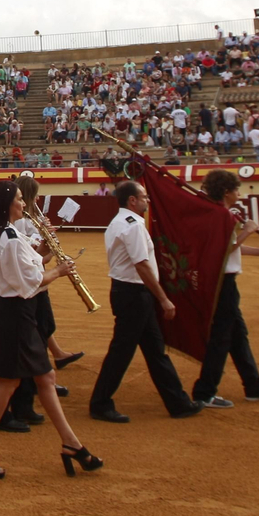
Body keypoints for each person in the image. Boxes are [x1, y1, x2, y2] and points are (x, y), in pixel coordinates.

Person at [0, 179, 101, 480]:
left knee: (45, 377)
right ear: (7, 204)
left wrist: (43, 252)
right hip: (15, 312)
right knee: (7, 383)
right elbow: (28, 282)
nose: (24, 204)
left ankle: (70, 442)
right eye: (18, 199)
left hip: (13, 310)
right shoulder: (10, 238)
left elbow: (27, 265)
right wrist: (59, 271)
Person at [87, 180, 202, 422]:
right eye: (144, 197)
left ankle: (178, 402)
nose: (148, 201)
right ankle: (99, 403)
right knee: (123, 352)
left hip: (130, 293)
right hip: (134, 294)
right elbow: (142, 265)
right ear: (132, 200)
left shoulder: (119, 222)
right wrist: (163, 299)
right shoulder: (133, 226)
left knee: (154, 350)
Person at [192, 170, 259, 408]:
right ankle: (204, 392)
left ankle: (254, 386)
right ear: (227, 192)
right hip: (221, 285)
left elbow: (234, 249)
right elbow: (223, 251)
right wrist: (247, 231)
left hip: (225, 283)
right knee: (221, 338)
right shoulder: (221, 216)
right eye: (236, 189)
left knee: (237, 336)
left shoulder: (219, 215)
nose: (239, 193)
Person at [1, 174, 79, 430]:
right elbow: (31, 264)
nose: (25, 203)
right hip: (20, 294)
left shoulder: (17, 226)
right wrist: (52, 266)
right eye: (23, 199)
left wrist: (46, 244)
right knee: (14, 358)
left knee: (30, 344)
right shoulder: (13, 231)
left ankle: (36, 389)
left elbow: (35, 259)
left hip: (26, 290)